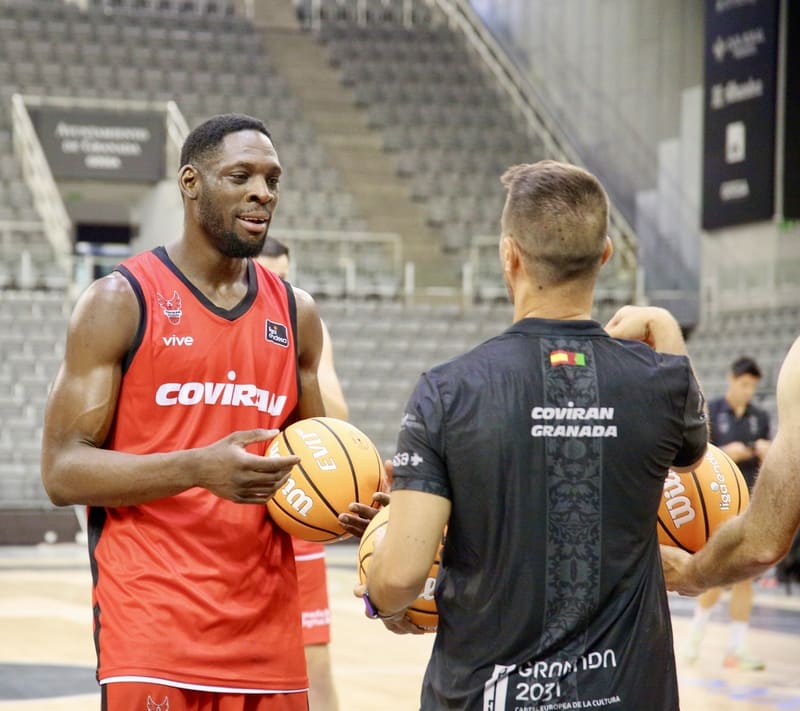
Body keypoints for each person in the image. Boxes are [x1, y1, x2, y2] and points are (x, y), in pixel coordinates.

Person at [40, 113, 378, 711]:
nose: (262, 192)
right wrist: (197, 468)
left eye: (272, 179)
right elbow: (62, 471)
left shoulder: (296, 314)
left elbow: (315, 460)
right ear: (190, 183)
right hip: (151, 623)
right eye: (241, 176)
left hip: (266, 629)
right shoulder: (120, 300)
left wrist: (354, 502)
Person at [357, 160, 708, 710]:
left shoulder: (446, 391)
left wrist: (379, 597)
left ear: (509, 255)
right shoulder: (663, 382)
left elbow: (401, 576)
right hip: (629, 694)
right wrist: (664, 328)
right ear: (605, 255)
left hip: (486, 695)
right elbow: (692, 453)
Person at [258, 236, 347, 711]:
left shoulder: (303, 322)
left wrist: (295, 355)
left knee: (314, 659)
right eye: (267, 274)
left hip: (293, 502)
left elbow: (337, 420)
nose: (278, 286)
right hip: (226, 507)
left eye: (284, 277)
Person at [681, 356, 771, 670]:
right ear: (732, 379)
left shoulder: (760, 417)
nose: (748, 391)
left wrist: (764, 451)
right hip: (718, 503)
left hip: (750, 502)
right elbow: (702, 455)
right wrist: (730, 452)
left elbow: (766, 458)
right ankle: (695, 638)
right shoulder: (713, 410)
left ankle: (737, 646)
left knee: (746, 576)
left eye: (752, 386)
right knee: (718, 574)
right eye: (744, 384)